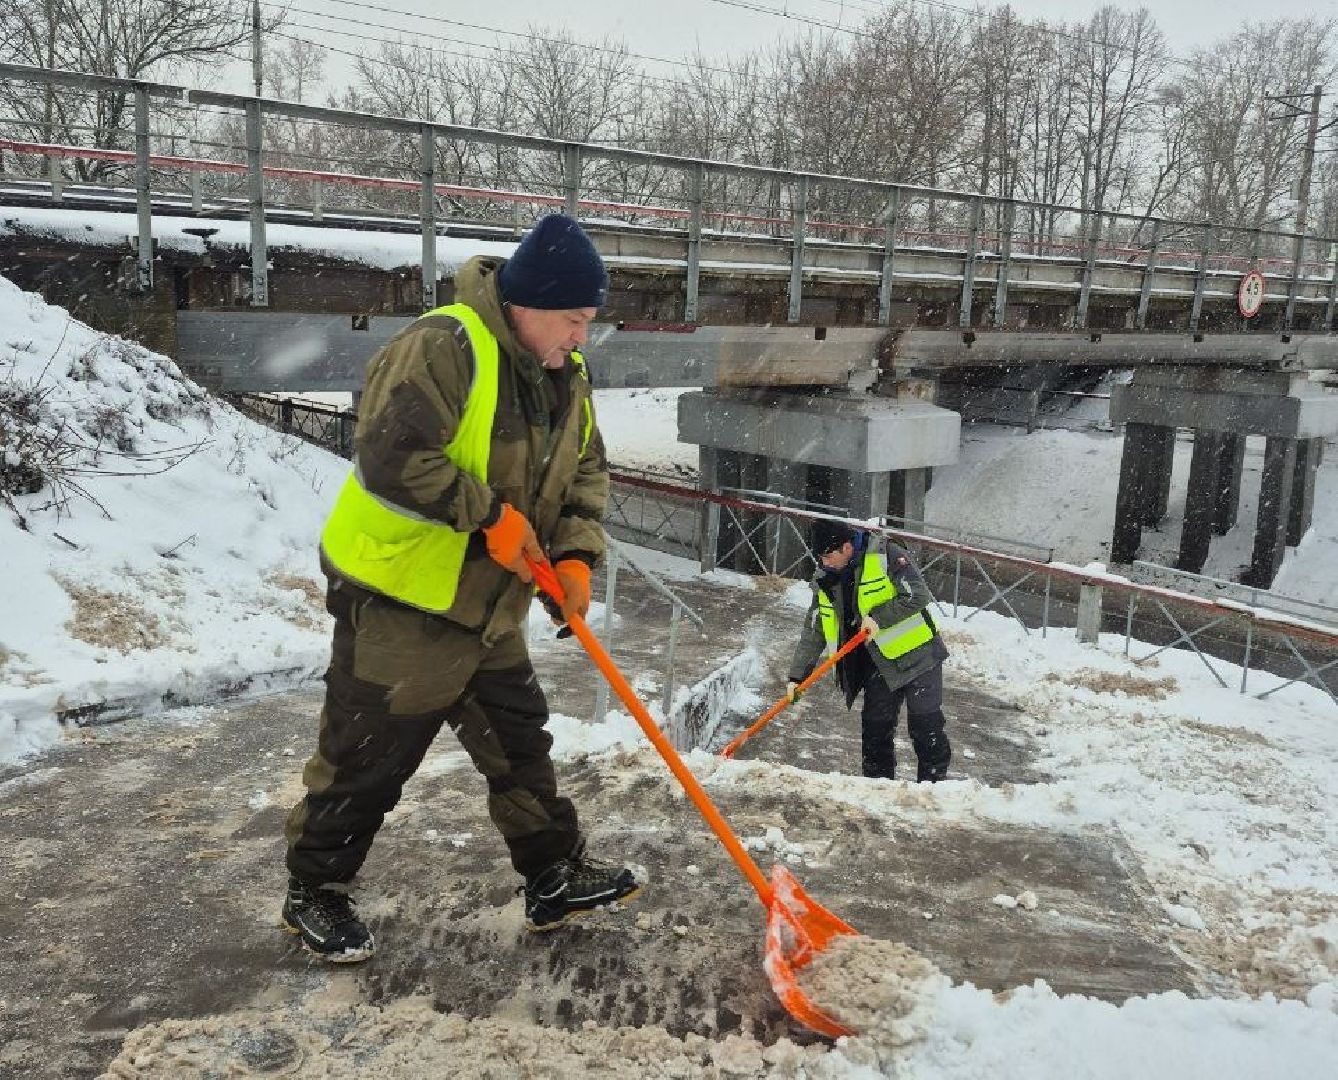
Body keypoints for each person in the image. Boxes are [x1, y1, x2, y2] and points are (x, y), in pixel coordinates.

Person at [281, 214, 641, 962]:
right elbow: (390, 455)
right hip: (403, 602)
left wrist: (574, 559)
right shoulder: (445, 346)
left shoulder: (564, 377)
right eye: (573, 320)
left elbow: (586, 471)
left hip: (486, 609)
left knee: (519, 742)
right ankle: (314, 890)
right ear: (529, 304)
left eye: (588, 323)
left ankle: (553, 873)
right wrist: (488, 519)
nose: (582, 337)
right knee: (366, 758)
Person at [786, 518, 951, 783]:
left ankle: (934, 789)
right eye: (820, 557)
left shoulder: (887, 555)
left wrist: (879, 617)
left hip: (920, 658)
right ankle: (878, 788)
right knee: (875, 729)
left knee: (925, 729)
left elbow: (917, 595)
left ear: (847, 547)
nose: (824, 563)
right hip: (879, 664)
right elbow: (815, 628)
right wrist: (797, 677)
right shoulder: (827, 580)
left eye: (829, 556)